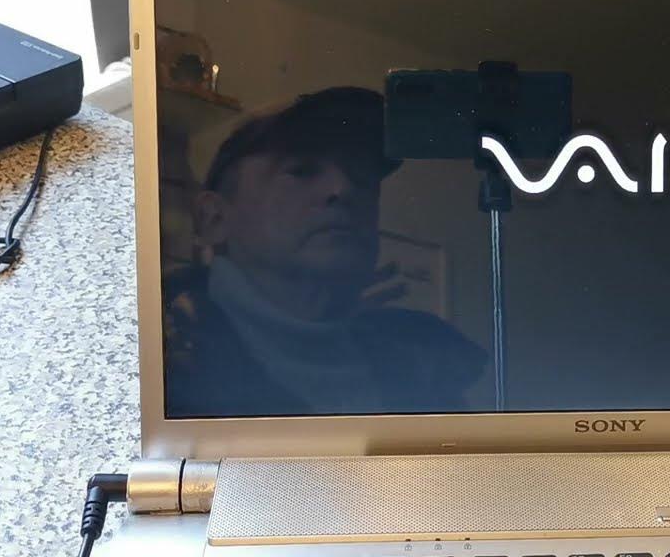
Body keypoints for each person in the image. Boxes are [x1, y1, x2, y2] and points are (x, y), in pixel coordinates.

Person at [162, 87, 485, 417]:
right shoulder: (155, 362)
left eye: (362, 177)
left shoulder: (430, 368)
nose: (343, 189)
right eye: (301, 169)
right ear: (213, 218)